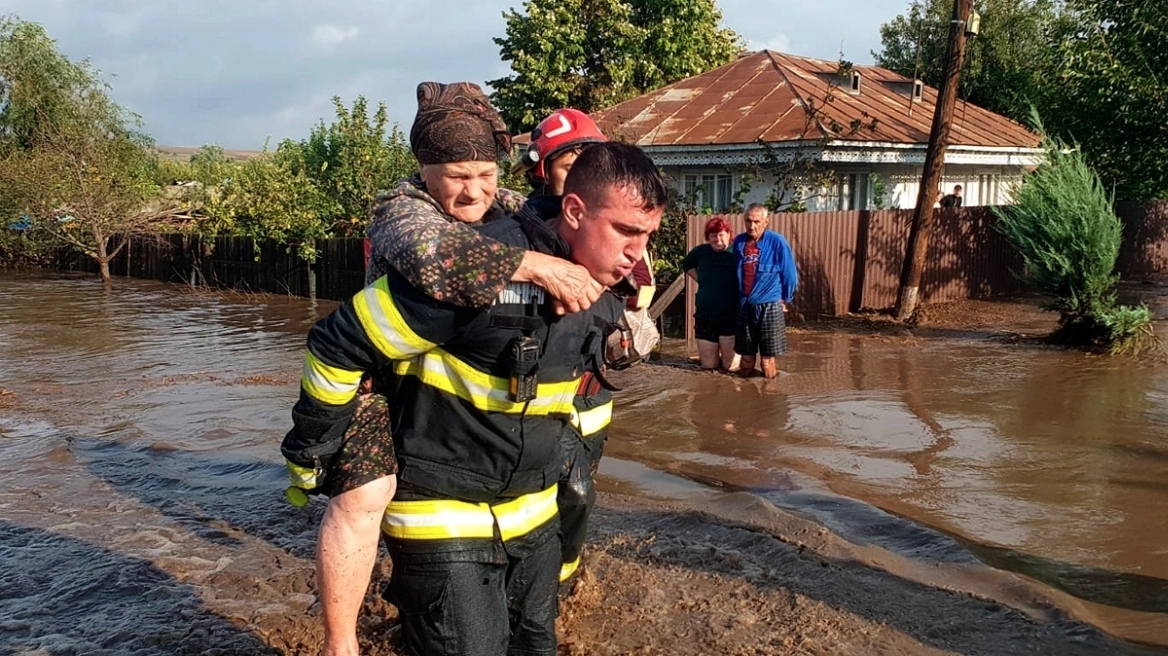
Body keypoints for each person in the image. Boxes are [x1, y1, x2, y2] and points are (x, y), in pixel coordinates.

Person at [283, 141, 667, 656]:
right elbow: (336, 343)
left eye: (647, 236)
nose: (637, 255)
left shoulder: (601, 282)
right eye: (626, 231)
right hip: (443, 515)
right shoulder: (476, 273)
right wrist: (314, 448)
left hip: (532, 515)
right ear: (575, 211)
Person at [733, 203, 798, 379]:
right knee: (745, 359)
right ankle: (745, 398)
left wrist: (785, 299)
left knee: (767, 361)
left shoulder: (778, 242)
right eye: (748, 221)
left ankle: (769, 398)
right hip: (745, 305)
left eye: (756, 221)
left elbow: (790, 276)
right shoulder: (739, 242)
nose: (752, 226)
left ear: (766, 222)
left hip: (770, 305)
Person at [682, 217, 740, 371]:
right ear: (708, 237)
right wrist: (700, 278)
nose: (717, 239)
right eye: (713, 235)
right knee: (709, 366)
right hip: (705, 315)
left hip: (731, 316)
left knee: (731, 367)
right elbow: (687, 264)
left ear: (728, 235)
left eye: (721, 234)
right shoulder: (701, 252)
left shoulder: (737, 252)